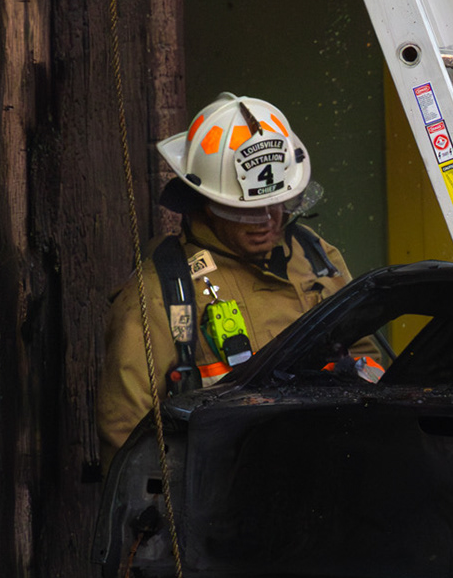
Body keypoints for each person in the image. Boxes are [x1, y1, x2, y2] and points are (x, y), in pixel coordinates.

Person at [98, 92, 371, 465]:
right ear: (204, 203)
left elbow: (367, 360)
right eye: (246, 211)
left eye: (278, 205)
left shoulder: (316, 257)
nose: (267, 223)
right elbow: (125, 430)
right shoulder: (163, 292)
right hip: (225, 501)